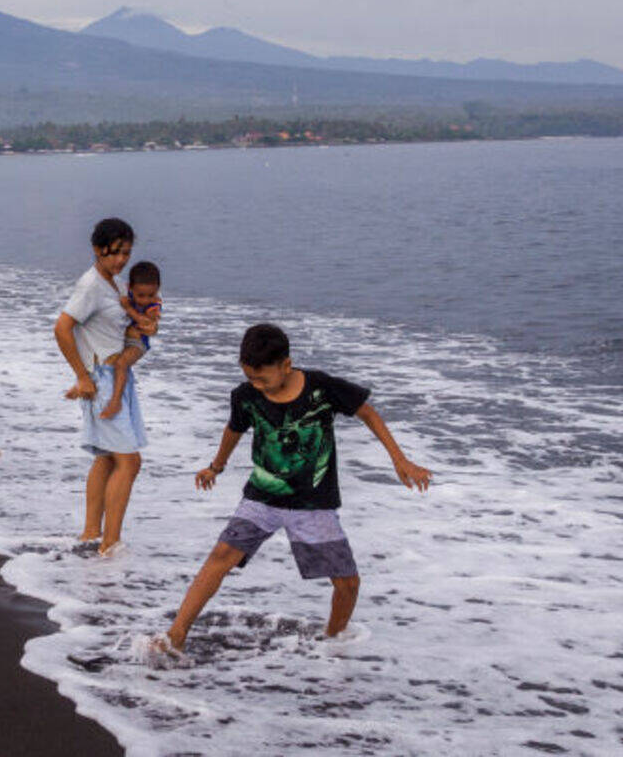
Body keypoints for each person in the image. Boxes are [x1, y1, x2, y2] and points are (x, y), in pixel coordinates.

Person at [151, 322, 431, 655]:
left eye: (263, 378)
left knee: (348, 583)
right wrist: (215, 466)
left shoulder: (321, 387)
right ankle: (176, 634)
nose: (256, 385)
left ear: (286, 364)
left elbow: (367, 413)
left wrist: (400, 460)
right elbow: (234, 430)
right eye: (250, 377)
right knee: (220, 556)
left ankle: (334, 642)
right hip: (262, 496)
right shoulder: (246, 395)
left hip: (314, 504)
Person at [53, 217, 146, 556]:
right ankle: (110, 542)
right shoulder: (91, 285)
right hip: (100, 381)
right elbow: (62, 328)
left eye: (126, 252)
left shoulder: (117, 285)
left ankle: (92, 533)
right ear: (97, 250)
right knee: (129, 461)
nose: (121, 259)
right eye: (115, 252)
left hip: (117, 380)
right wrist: (81, 376)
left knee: (107, 458)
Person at [100, 260, 162, 422]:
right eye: (140, 295)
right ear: (130, 288)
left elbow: (146, 324)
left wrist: (128, 309)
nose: (145, 300)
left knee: (121, 364)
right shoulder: (124, 293)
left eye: (151, 295)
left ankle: (115, 402)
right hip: (121, 338)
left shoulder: (154, 307)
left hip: (138, 343)